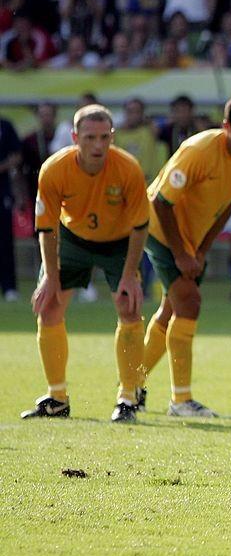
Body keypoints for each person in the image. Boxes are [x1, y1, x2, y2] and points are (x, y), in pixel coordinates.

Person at [138, 95, 231, 417]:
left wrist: (200, 250)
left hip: (191, 240)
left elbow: (228, 208)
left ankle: (131, 385)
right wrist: (183, 253)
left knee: (170, 311)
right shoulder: (199, 150)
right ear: (226, 126)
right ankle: (180, 401)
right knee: (189, 302)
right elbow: (161, 203)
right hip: (157, 229)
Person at [22, 105, 149, 422]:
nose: (97, 145)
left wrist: (131, 274)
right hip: (73, 240)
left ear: (112, 137)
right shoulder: (54, 169)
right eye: (90, 137)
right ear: (75, 137)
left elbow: (140, 226)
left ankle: (128, 398)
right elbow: (47, 228)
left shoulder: (128, 168)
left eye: (104, 137)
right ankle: (57, 397)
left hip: (119, 243)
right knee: (50, 307)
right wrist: (50, 277)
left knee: (129, 307)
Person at [0, 114, 20, 300]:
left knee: (5, 240)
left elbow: (16, 156)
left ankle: (9, 287)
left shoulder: (5, 125)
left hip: (2, 191)